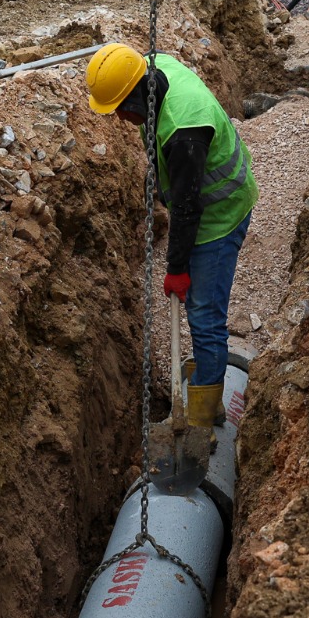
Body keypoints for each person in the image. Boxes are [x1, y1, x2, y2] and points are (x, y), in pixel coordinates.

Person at [84, 42, 257, 428]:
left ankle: (202, 421)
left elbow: (186, 208)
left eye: (118, 111)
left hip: (221, 211)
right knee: (200, 309)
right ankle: (204, 385)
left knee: (204, 315)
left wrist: (176, 267)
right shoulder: (151, 67)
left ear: (136, 99)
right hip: (198, 198)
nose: (117, 120)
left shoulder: (184, 131)